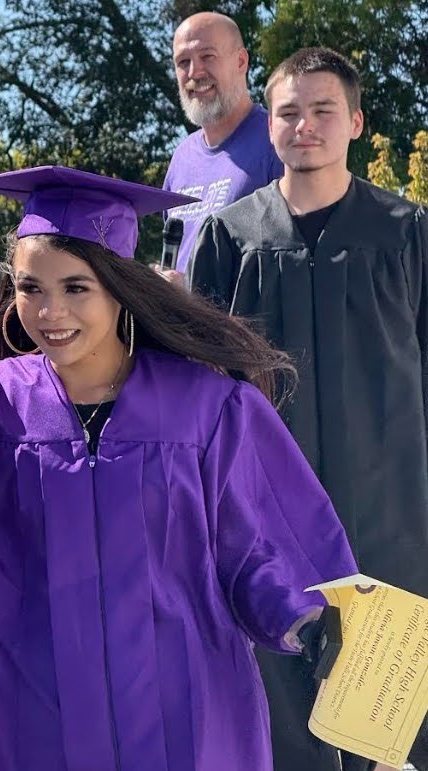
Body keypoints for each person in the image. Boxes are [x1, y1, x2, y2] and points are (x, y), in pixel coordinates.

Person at [0, 165, 357, 771]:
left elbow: (256, 550)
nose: (50, 312)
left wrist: (306, 620)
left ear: (118, 288)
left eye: (76, 287)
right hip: (41, 722)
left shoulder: (205, 408)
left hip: (185, 717)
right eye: (30, 288)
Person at [189, 47, 428, 771]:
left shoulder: (407, 231)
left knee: (388, 723)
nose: (305, 126)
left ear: (355, 121)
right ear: (270, 125)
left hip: (392, 506)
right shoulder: (232, 237)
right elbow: (202, 388)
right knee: (279, 707)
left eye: (324, 110)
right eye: (289, 112)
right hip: (265, 511)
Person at [161, 11, 283, 279]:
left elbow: (294, 263)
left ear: (241, 61)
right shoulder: (182, 157)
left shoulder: (278, 141)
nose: (194, 72)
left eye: (207, 56)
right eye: (183, 62)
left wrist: (191, 290)